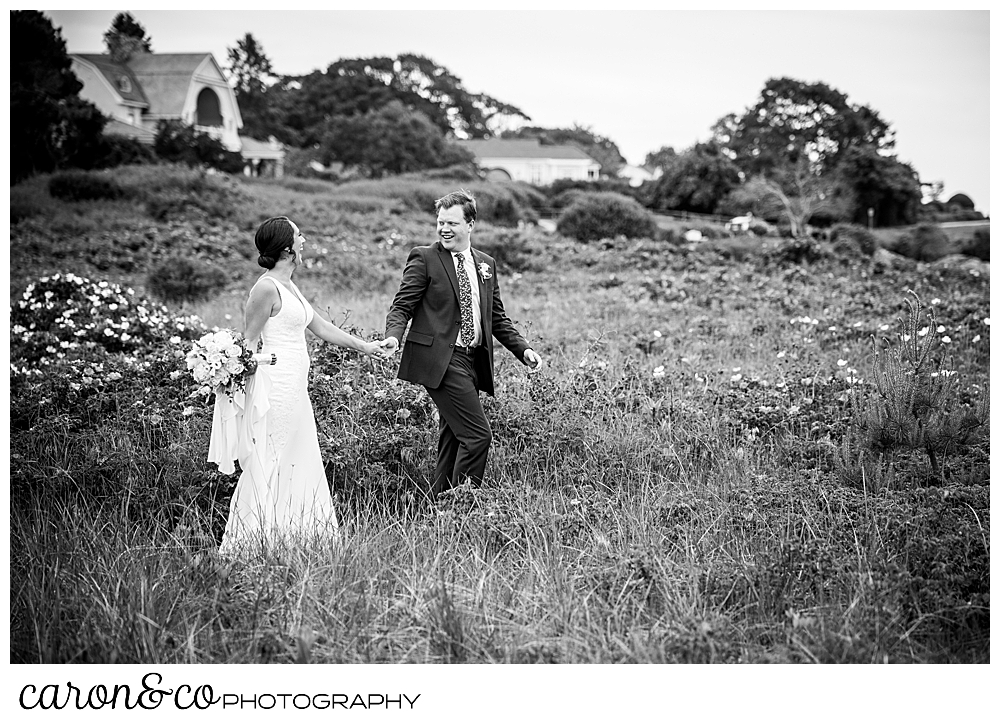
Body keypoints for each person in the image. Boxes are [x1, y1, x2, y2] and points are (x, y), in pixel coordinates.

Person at [218, 216, 384, 555]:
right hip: (276, 387)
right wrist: (239, 370)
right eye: (298, 236)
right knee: (271, 458)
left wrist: (366, 347)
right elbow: (248, 343)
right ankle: (252, 542)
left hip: (296, 389)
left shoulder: (290, 285)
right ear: (286, 248)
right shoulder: (265, 288)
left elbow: (320, 327)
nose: (304, 240)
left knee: (299, 457)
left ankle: (296, 537)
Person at [382, 190, 541, 500]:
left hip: (473, 360)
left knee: (454, 438)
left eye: (452, 223)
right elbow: (402, 305)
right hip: (441, 360)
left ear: (470, 224)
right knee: (478, 436)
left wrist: (523, 349)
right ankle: (461, 507)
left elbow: (496, 317)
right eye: (441, 222)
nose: (444, 229)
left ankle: (439, 510)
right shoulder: (424, 257)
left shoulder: (486, 264)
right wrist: (393, 335)